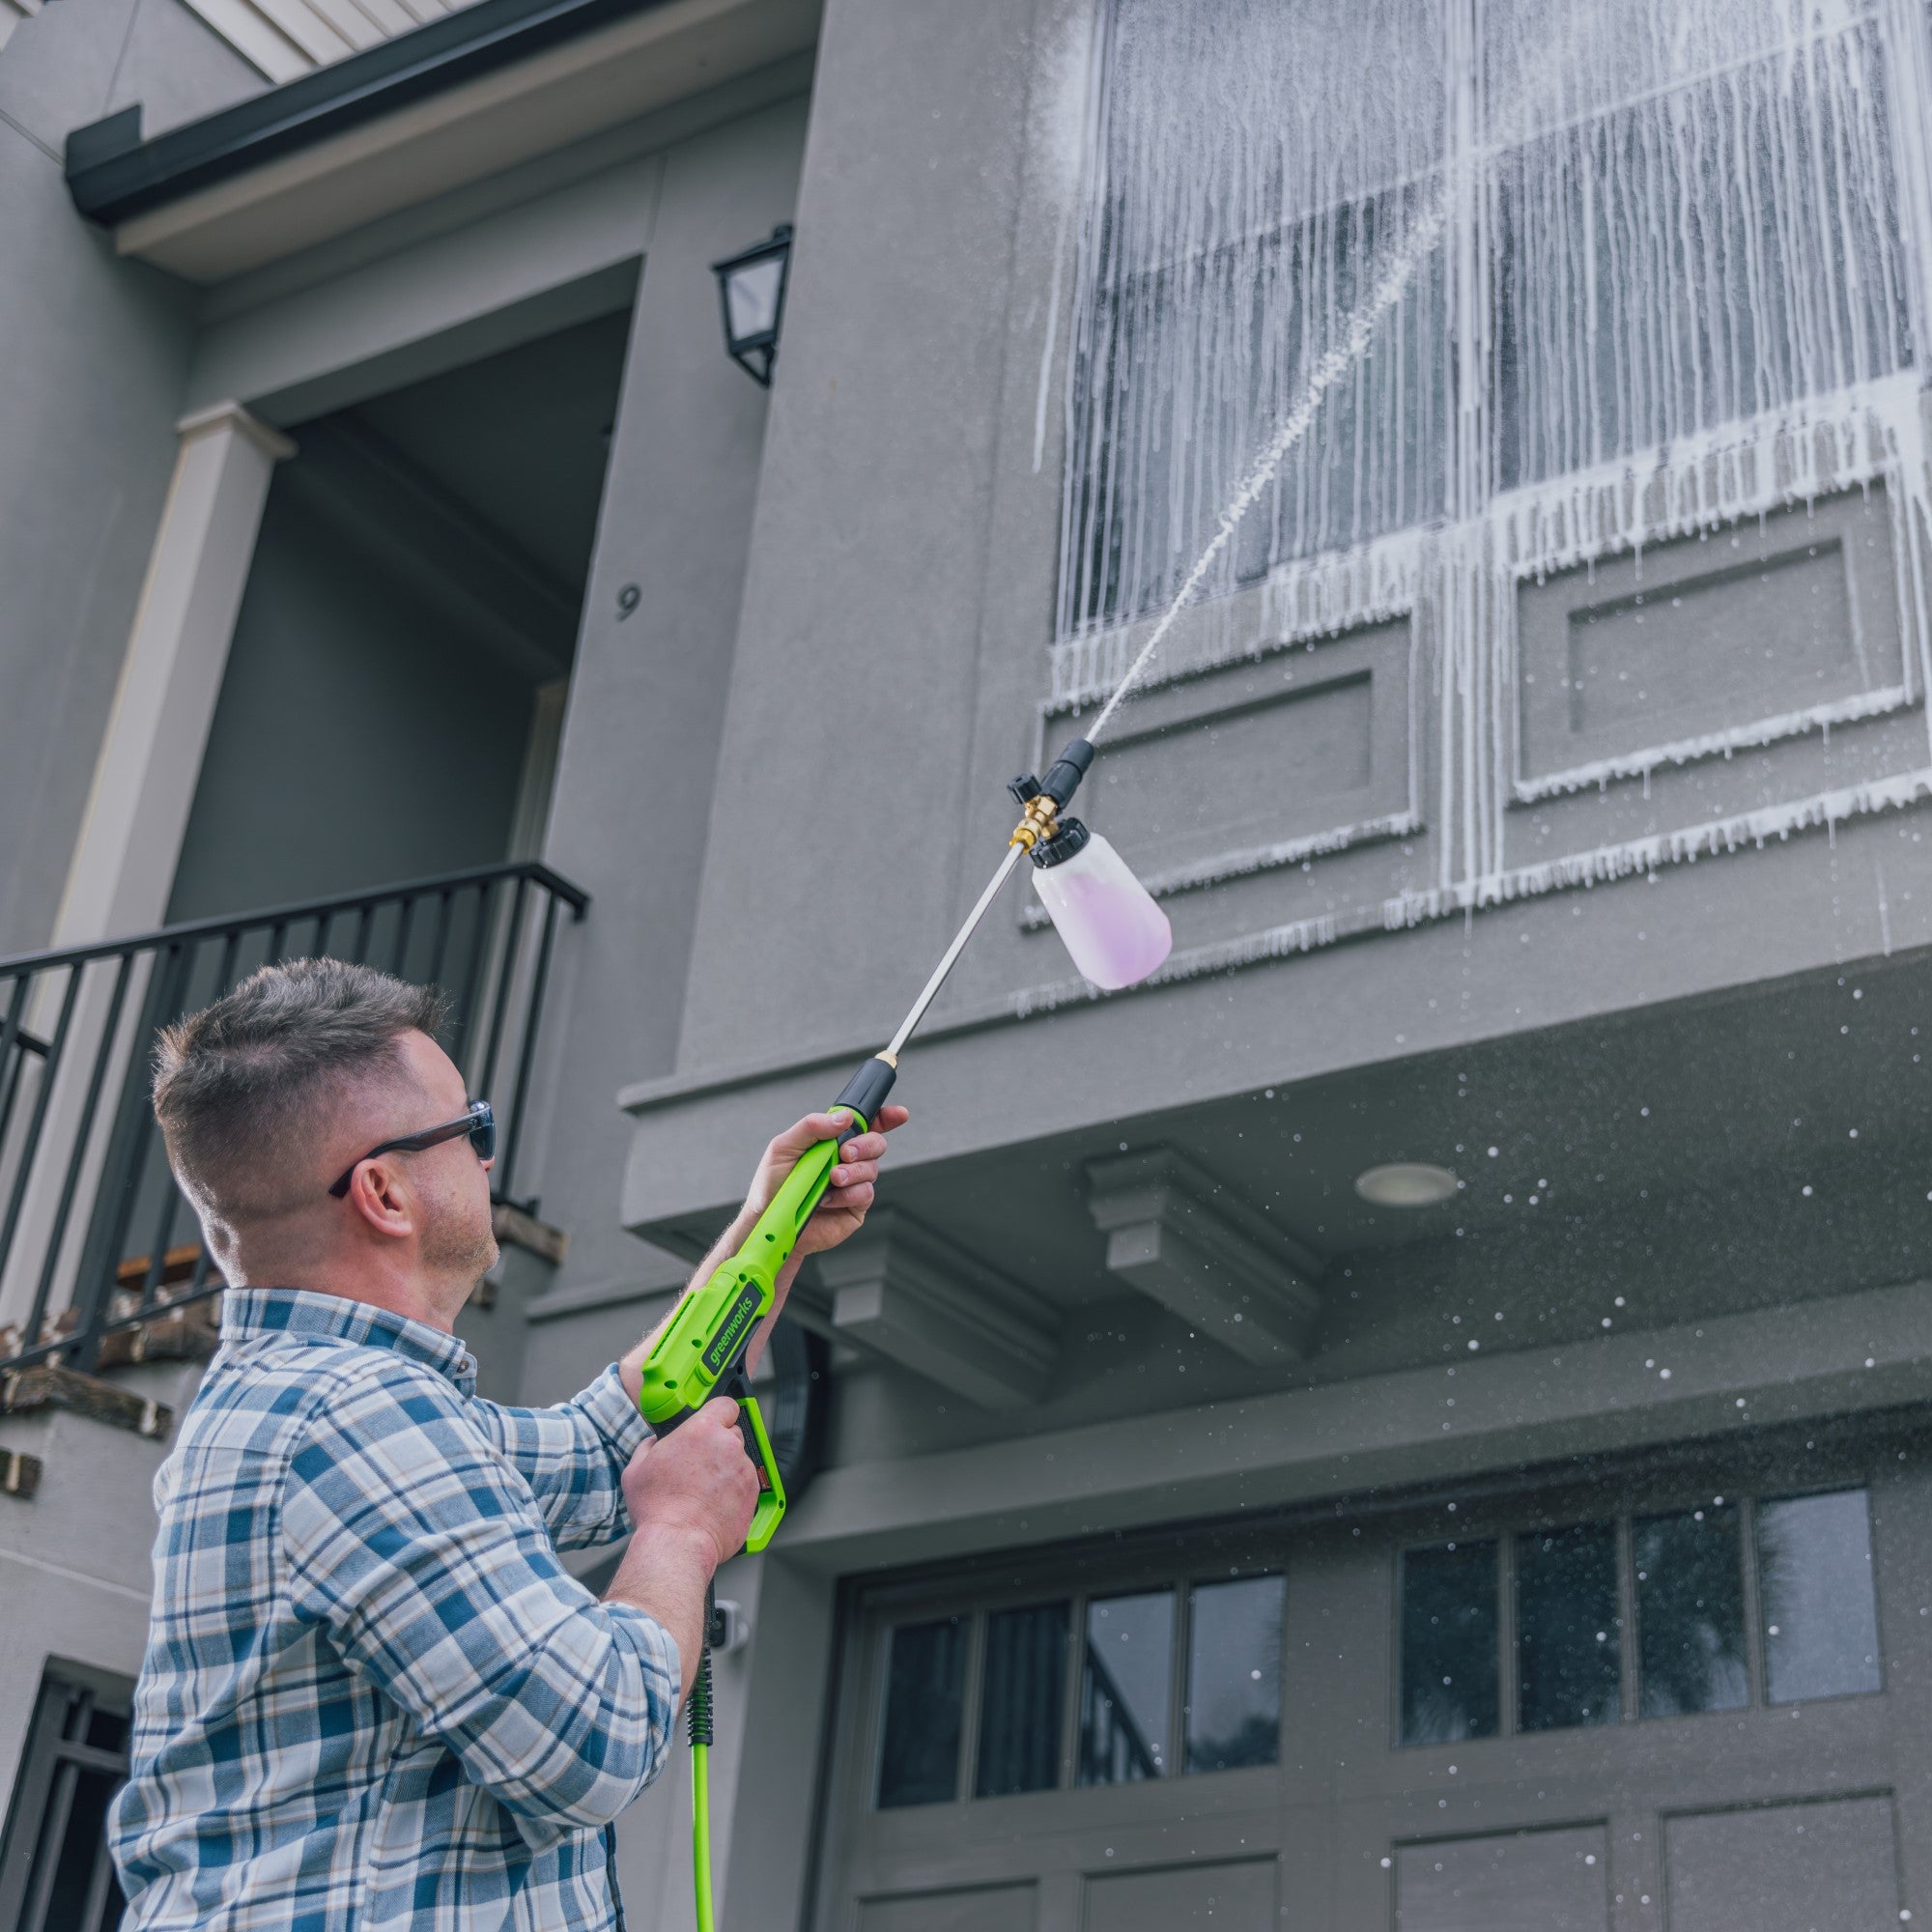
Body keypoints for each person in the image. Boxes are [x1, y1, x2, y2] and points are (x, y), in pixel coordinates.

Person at [107, 957, 905, 1929]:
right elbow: (589, 1738)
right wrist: (682, 1534)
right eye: (469, 1129)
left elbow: (599, 1447)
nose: (487, 1157)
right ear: (384, 1192)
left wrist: (764, 1230)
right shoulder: (353, 1416)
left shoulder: (315, 1406)